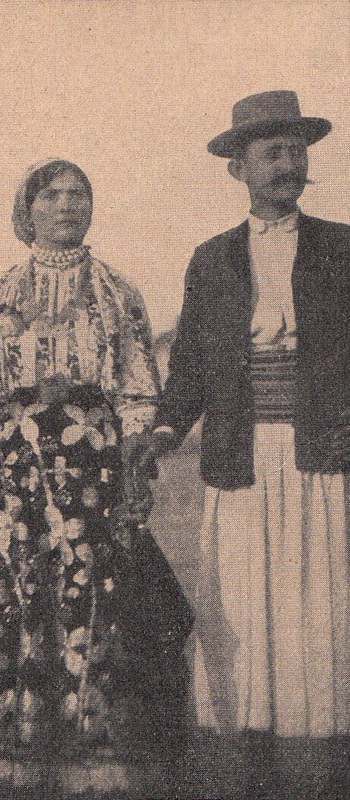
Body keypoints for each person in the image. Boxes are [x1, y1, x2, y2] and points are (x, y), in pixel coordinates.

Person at [130, 90, 350, 798]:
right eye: (271, 152)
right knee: (248, 613)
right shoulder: (213, 259)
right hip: (240, 460)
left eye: (295, 150)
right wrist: (164, 429)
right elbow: (190, 363)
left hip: (325, 458)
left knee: (328, 607)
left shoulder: (344, 248)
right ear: (239, 170)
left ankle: (339, 758)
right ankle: (254, 760)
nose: (288, 163)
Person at [0, 158, 189, 795]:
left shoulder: (117, 291)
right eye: (51, 195)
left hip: (92, 461)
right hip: (13, 460)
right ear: (26, 209)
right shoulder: (2, 290)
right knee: (10, 585)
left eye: (78, 194)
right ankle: (10, 734)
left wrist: (135, 468)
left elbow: (141, 390)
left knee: (90, 588)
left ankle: (90, 734)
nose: (65, 206)